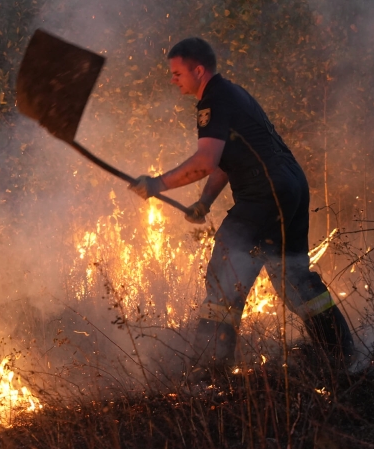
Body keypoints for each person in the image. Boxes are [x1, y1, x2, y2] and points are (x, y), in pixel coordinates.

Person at [129, 37, 354, 373]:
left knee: (223, 278)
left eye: (177, 73)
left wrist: (156, 184)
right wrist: (205, 202)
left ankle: (209, 370)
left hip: (263, 194)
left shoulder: (214, 100)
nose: (173, 80)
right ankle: (340, 354)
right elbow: (223, 161)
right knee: (292, 277)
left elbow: (205, 161)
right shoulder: (234, 94)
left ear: (198, 70)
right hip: (291, 187)